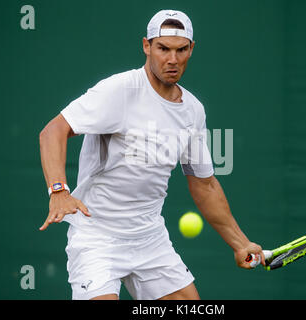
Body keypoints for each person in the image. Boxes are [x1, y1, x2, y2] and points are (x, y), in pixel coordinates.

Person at [39, 9, 265, 300]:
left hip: (150, 239)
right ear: (147, 46)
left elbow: (204, 184)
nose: (172, 59)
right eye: (163, 49)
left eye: (181, 50)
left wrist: (240, 243)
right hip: (98, 237)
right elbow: (53, 131)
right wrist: (58, 190)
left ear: (191, 50)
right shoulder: (119, 90)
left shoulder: (192, 110)